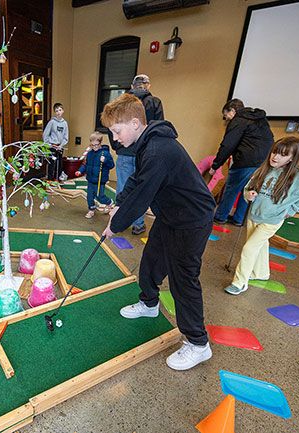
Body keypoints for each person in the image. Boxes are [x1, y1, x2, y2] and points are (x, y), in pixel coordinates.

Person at [101, 93, 216, 371]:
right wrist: (118, 204)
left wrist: (114, 226)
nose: (114, 138)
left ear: (136, 123)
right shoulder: (146, 145)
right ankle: (149, 303)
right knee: (152, 261)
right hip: (170, 215)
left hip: (191, 220)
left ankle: (198, 344)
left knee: (183, 279)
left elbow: (141, 196)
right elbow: (137, 182)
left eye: (117, 131)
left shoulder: (158, 150)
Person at [224, 137, 299, 295]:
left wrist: (294, 208)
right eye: (275, 152)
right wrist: (249, 194)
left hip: (272, 220)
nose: (276, 157)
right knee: (259, 245)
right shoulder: (264, 169)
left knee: (249, 248)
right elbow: (249, 187)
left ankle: (240, 283)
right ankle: (260, 274)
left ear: (291, 158)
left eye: (283, 155)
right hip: (254, 215)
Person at [110, 74, 164, 235]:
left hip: (127, 153)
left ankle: (120, 220)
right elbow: (158, 125)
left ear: (133, 86)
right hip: (146, 153)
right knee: (141, 188)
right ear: (147, 85)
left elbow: (111, 125)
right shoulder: (154, 102)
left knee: (123, 186)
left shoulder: (121, 103)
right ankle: (138, 224)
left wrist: (117, 146)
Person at [210, 99, 274, 226]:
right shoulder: (260, 120)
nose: (226, 119)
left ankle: (220, 216)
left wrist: (216, 165)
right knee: (248, 191)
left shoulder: (238, 120)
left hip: (245, 160)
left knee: (232, 189)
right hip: (262, 162)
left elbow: (227, 145)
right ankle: (238, 219)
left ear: (232, 110)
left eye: (226, 116)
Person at [75, 132, 115, 218]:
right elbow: (85, 164)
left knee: (100, 196)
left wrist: (105, 161)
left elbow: (112, 165)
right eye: (92, 145)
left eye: (96, 145)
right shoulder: (90, 153)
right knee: (89, 196)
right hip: (90, 179)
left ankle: (109, 202)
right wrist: (80, 171)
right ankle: (91, 210)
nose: (95, 147)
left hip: (100, 180)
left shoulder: (105, 154)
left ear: (100, 143)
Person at [43, 102, 69, 181]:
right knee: (52, 164)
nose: (58, 112)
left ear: (63, 111)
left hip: (60, 147)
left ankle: (57, 179)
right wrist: (49, 144)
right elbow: (45, 134)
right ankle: (50, 180)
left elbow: (66, 137)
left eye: (60, 110)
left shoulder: (65, 123)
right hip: (52, 146)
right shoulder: (52, 122)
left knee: (59, 164)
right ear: (55, 112)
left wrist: (61, 145)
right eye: (56, 111)